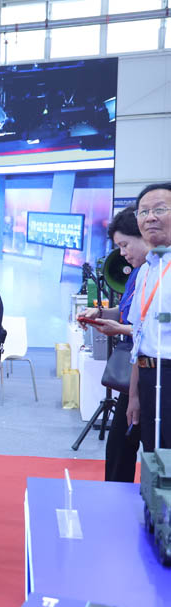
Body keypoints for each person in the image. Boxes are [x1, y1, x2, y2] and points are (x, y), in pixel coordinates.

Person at [79, 206, 148, 482]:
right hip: (135, 372)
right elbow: (127, 312)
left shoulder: (158, 273)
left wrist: (119, 329)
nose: (122, 253)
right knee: (119, 446)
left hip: (153, 374)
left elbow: (151, 331)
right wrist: (100, 314)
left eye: (125, 245)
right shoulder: (138, 273)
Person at [127, 182, 171, 452]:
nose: (150, 217)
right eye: (143, 212)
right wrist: (133, 395)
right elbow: (139, 335)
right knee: (155, 459)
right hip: (147, 376)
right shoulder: (146, 271)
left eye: (160, 209)